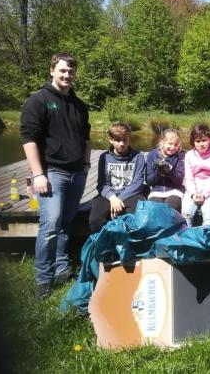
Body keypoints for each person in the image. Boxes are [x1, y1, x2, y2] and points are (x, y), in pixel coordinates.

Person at [20, 52, 91, 299]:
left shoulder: (80, 105)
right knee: (50, 225)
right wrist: (38, 174)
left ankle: (62, 269)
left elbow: (86, 138)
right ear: (52, 70)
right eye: (62, 71)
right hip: (52, 173)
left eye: (71, 72)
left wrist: (86, 164)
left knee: (65, 224)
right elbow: (28, 139)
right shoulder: (38, 101)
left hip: (77, 174)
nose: (67, 75)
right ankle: (44, 279)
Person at [88, 122, 147, 233]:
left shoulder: (138, 157)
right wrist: (113, 198)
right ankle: (102, 245)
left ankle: (129, 246)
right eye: (117, 140)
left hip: (131, 193)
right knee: (95, 219)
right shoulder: (104, 157)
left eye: (125, 140)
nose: (121, 144)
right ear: (111, 140)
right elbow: (102, 184)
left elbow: (138, 183)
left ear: (129, 139)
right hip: (110, 195)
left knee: (136, 217)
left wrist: (119, 199)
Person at [181, 123, 210, 228]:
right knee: (186, 213)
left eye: (204, 140)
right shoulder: (189, 155)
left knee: (208, 211)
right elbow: (189, 178)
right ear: (193, 141)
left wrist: (204, 194)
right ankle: (187, 240)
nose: (201, 144)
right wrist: (193, 194)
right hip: (193, 189)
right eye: (197, 141)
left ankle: (207, 241)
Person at [146, 128, 186, 212]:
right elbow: (149, 181)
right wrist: (159, 174)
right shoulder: (152, 155)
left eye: (176, 145)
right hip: (156, 191)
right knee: (154, 209)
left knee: (170, 208)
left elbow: (179, 180)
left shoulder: (180, 155)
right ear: (162, 142)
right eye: (170, 144)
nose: (173, 147)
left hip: (175, 191)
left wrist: (169, 171)